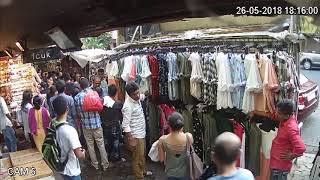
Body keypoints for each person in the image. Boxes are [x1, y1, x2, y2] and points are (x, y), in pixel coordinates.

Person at [74, 78, 109, 171]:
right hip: (97, 124)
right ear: (89, 83)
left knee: (90, 145)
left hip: (86, 125)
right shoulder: (94, 93)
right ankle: (105, 164)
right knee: (101, 144)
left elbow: (78, 113)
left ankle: (95, 165)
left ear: (80, 86)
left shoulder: (77, 97)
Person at [122, 81, 152, 179]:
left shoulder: (137, 98)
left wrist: (147, 93)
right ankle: (139, 177)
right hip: (136, 136)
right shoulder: (127, 106)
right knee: (137, 158)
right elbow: (125, 125)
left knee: (142, 155)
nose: (137, 95)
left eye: (138, 92)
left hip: (142, 133)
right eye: (135, 94)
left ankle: (143, 171)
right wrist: (130, 138)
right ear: (129, 95)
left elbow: (142, 96)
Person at [270, 99, 306, 180]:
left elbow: (301, 148)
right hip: (277, 163)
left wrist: (292, 156)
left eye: (279, 113)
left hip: (280, 167)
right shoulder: (286, 120)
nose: (276, 114)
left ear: (287, 115)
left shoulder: (290, 128)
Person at [52, 96, 85, 180]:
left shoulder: (52, 124)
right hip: (72, 170)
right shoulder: (70, 130)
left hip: (61, 166)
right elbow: (79, 154)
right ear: (67, 109)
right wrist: (83, 153)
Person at [158, 112, 193, 179]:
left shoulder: (162, 140)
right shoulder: (189, 137)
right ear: (182, 125)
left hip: (170, 173)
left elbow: (161, 159)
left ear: (169, 125)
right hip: (185, 173)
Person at [99, 84, 125, 162]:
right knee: (116, 141)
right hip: (114, 126)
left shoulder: (103, 101)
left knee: (106, 141)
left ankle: (107, 156)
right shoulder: (118, 104)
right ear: (116, 92)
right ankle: (117, 157)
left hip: (104, 125)